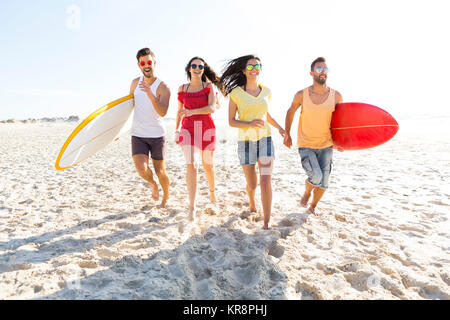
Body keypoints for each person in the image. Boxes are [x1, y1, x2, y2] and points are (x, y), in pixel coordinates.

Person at [220, 54, 285, 230]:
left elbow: (266, 115)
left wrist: (280, 128)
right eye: (250, 67)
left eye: (257, 66)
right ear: (243, 70)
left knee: (265, 181)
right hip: (246, 142)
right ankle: (251, 200)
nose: (254, 69)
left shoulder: (267, 92)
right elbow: (231, 121)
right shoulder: (236, 93)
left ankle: (266, 221)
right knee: (253, 184)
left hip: (265, 139)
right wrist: (248, 123)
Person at [284, 57, 343, 215]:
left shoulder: (336, 96)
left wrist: (340, 141)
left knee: (324, 183)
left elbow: (340, 121)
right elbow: (290, 112)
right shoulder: (301, 95)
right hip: (306, 144)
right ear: (312, 73)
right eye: (319, 69)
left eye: (325, 69)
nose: (322, 71)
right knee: (316, 177)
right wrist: (287, 134)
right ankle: (307, 192)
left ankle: (312, 207)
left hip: (326, 145)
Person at [175, 56, 223, 221]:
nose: (197, 68)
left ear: (203, 70)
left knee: (208, 165)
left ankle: (212, 192)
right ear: (189, 68)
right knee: (192, 165)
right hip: (187, 129)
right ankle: (192, 206)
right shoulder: (182, 89)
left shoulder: (208, 87)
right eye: (194, 65)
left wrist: (192, 112)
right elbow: (179, 111)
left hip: (206, 129)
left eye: (200, 67)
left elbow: (211, 108)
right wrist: (176, 130)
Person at [129, 48, 171, 208]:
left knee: (160, 171)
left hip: (157, 135)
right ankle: (153, 183)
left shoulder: (163, 88)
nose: (146, 66)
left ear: (154, 63)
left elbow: (162, 112)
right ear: (139, 65)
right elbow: (128, 107)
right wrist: (119, 130)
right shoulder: (134, 83)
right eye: (142, 63)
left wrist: (151, 95)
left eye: (149, 62)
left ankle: (166, 196)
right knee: (141, 169)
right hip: (138, 134)